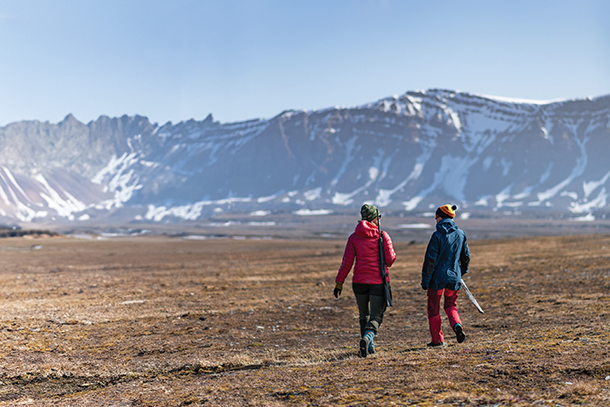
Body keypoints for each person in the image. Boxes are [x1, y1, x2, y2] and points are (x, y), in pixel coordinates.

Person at [334, 204, 396, 357]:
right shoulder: (382, 235)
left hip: (359, 283)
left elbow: (346, 262)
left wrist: (339, 282)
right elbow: (390, 260)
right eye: (379, 217)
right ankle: (368, 338)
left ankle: (369, 348)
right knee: (376, 316)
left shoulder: (353, 237)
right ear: (375, 218)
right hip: (378, 283)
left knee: (364, 315)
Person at [421, 204, 471, 347]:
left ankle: (437, 340)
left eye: (436, 217)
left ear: (441, 217)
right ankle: (457, 325)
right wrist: (461, 272)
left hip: (437, 280)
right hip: (454, 278)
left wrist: (425, 280)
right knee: (450, 305)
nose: (435, 219)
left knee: (433, 308)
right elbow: (466, 257)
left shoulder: (437, 236)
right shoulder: (461, 234)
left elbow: (430, 260)